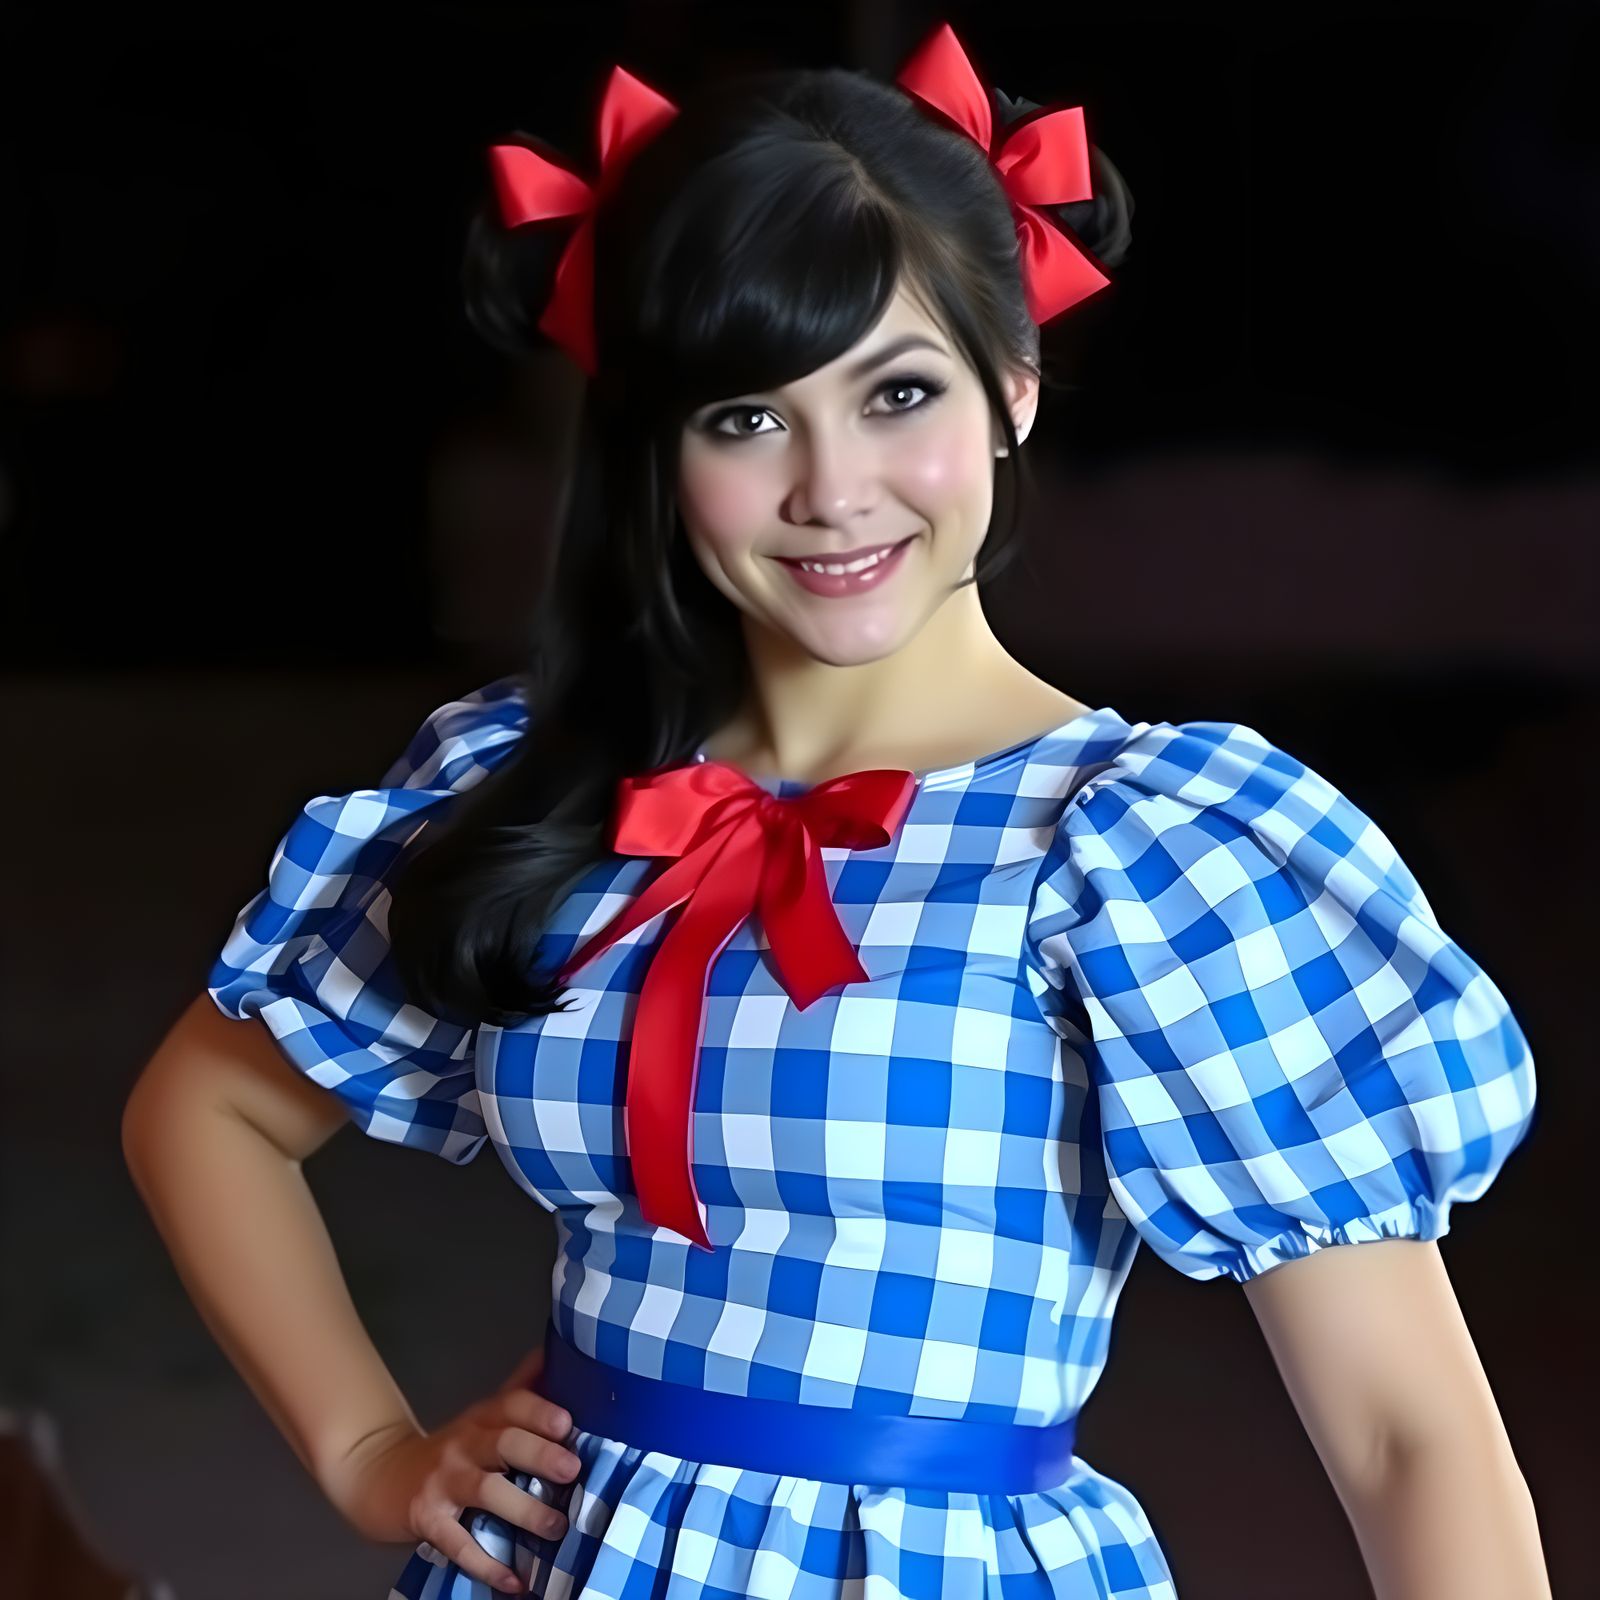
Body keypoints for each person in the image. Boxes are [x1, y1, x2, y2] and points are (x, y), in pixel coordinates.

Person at [122, 21, 1548, 1600]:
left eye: (898, 392)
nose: (831, 488)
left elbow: (1409, 1438)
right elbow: (210, 1110)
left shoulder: (1143, 848)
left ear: (1011, 389)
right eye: (745, 417)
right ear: (657, 450)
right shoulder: (548, 784)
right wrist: (369, 1452)